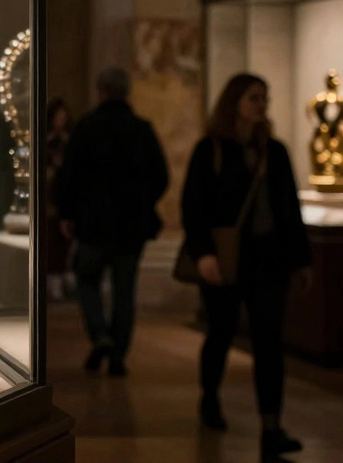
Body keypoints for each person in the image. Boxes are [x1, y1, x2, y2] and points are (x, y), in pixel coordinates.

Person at [181, 73, 312, 459]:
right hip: (226, 259)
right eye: (254, 97)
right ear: (234, 101)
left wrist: (301, 260)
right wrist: (203, 253)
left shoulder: (276, 151)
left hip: (269, 262)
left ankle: (271, 427)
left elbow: (290, 211)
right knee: (220, 332)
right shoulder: (212, 150)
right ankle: (209, 398)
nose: (261, 105)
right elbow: (194, 207)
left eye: (264, 98)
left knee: (269, 343)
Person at [54, 67, 168, 377]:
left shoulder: (87, 128)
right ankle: (118, 355)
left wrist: (68, 213)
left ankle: (99, 333)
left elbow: (70, 176)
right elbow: (161, 176)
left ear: (100, 91)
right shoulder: (141, 129)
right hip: (132, 226)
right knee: (124, 290)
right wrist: (143, 203)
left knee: (86, 280)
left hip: (93, 224)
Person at [45, 98, 72, 300]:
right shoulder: (45, 142)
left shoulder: (68, 142)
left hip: (62, 197)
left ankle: (60, 280)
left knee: (62, 243)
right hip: (47, 195)